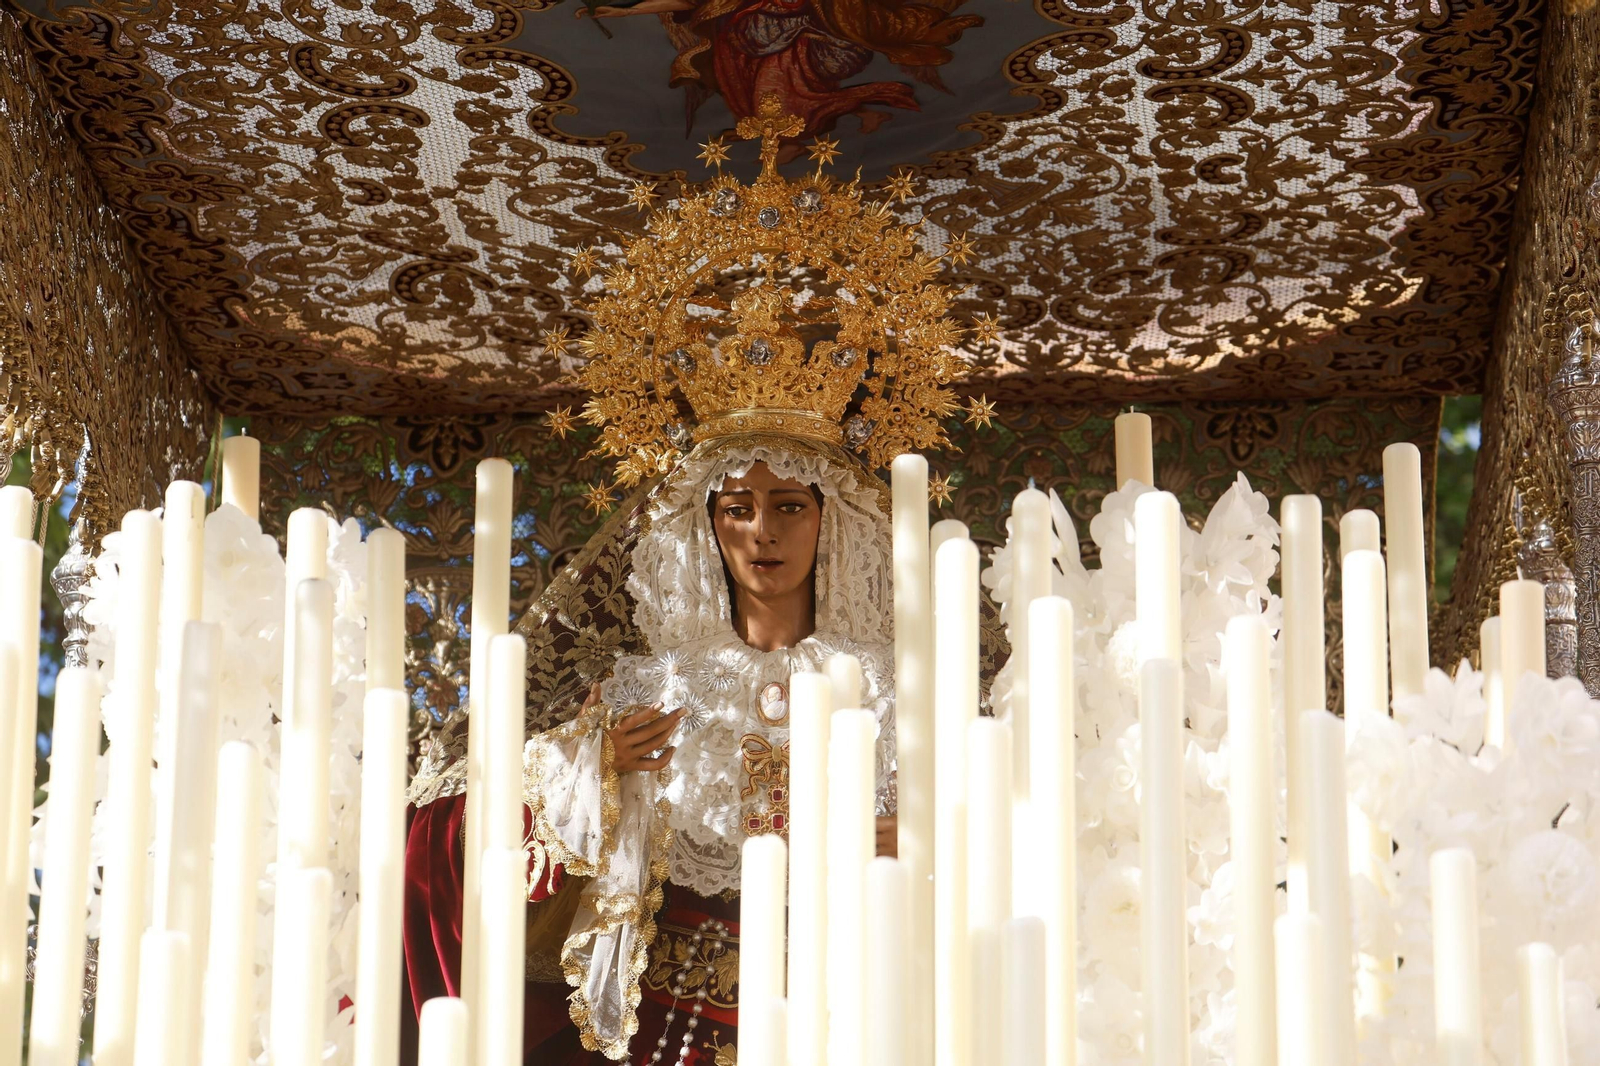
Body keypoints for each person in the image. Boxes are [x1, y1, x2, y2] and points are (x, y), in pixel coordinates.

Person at [402, 433, 901, 1063]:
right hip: (671, 1026)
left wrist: (923, 842)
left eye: (790, 506)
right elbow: (458, 826)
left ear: (830, 519)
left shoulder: (895, 687)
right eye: (738, 508)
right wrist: (595, 765)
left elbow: (992, 830)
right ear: (709, 524)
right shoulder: (652, 686)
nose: (762, 532)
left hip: (847, 1015)